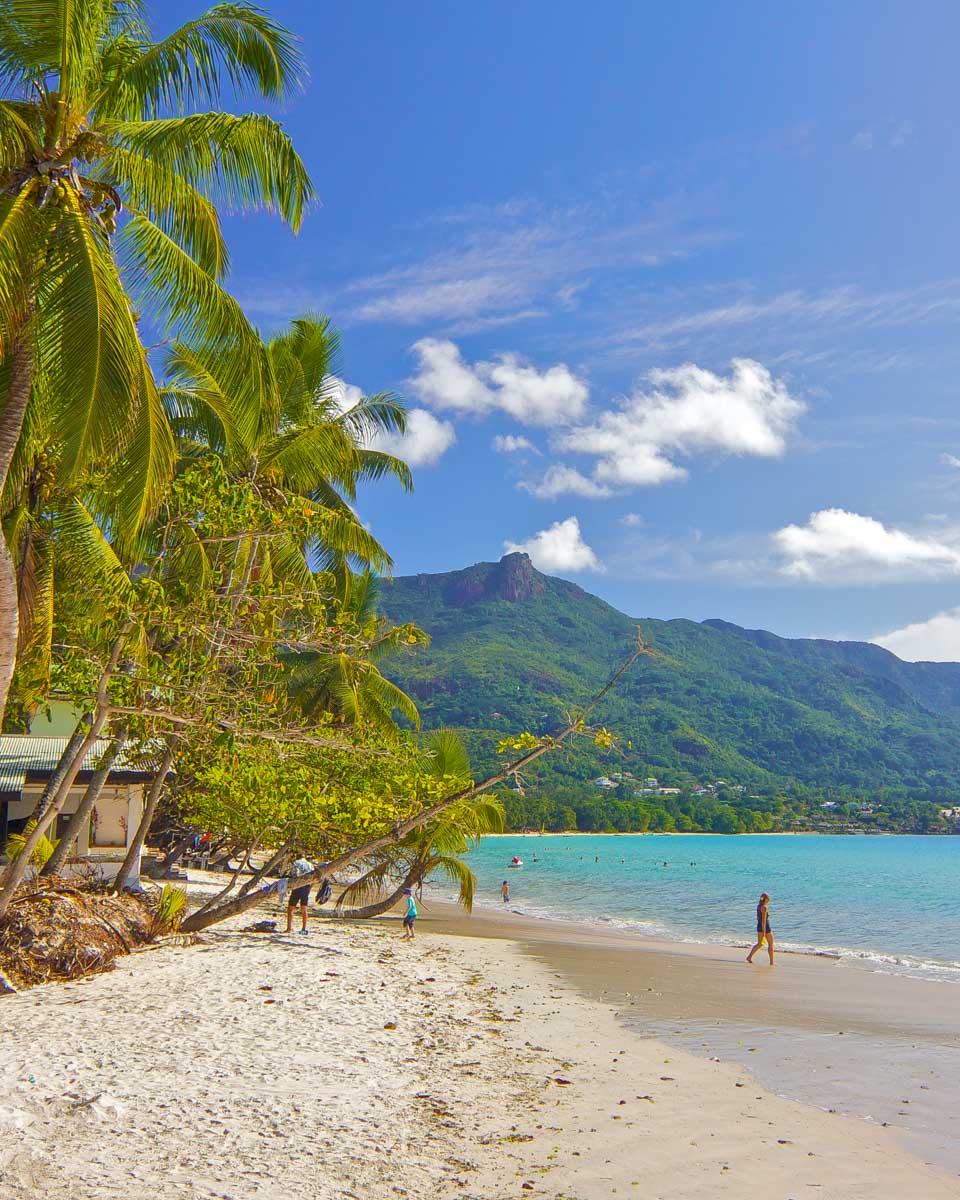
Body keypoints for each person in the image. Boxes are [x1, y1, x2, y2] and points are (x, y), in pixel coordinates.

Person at [285, 852, 314, 935]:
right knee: (304, 908)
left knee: (291, 908)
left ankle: (289, 928)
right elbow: (313, 877)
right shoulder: (310, 865)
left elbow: (294, 874)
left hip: (298, 886)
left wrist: (290, 886)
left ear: (297, 857)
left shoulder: (296, 863)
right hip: (306, 887)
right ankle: (303, 929)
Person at [746, 892, 774, 965]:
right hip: (765, 927)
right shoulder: (764, 907)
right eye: (768, 899)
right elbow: (764, 920)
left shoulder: (759, 906)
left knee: (759, 944)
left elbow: (759, 918)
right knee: (770, 944)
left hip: (759, 926)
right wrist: (764, 932)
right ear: (766, 899)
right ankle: (771, 962)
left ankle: (749, 957)